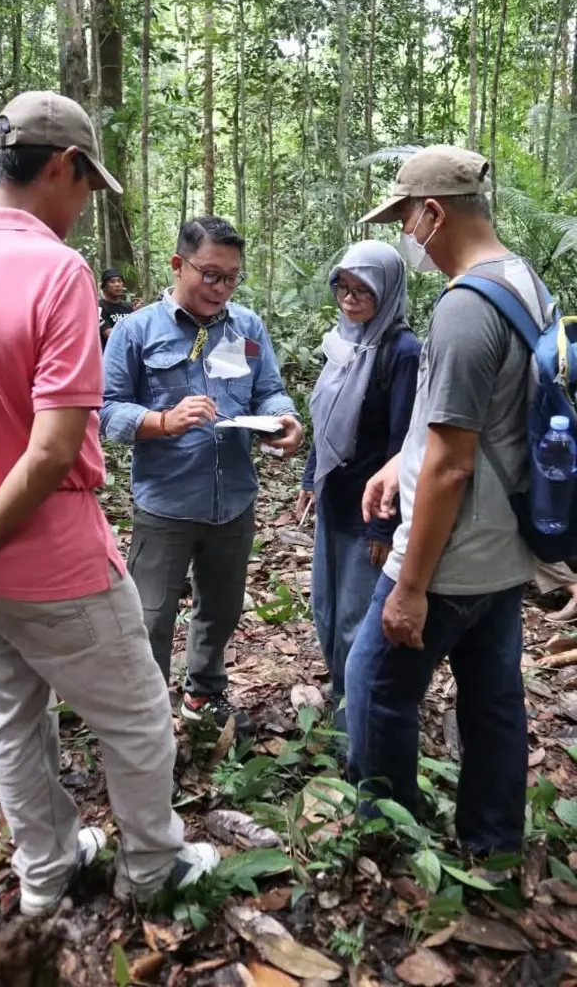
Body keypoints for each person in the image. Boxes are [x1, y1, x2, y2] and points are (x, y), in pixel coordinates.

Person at [0, 91, 218, 917]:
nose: (86, 204)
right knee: (135, 712)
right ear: (59, 167)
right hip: (44, 554)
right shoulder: (58, 269)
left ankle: (47, 870)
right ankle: (152, 867)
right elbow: (56, 444)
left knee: (12, 703)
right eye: (87, 185)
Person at [345, 145, 545, 857]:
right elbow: (477, 417)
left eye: (405, 216)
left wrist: (411, 586)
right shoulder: (523, 282)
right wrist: (400, 460)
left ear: (434, 212)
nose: (406, 233)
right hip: (505, 549)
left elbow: (454, 466)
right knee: (493, 702)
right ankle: (493, 845)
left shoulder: (464, 307)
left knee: (373, 685)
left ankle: (389, 842)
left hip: (452, 557)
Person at [101, 214, 304, 733]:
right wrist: (162, 421)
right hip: (165, 501)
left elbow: (270, 390)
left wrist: (284, 420)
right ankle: (146, 718)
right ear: (178, 264)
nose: (220, 287)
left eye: (231, 277)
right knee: (150, 617)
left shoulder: (247, 328)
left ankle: (202, 696)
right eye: (210, 274)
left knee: (222, 607)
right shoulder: (134, 330)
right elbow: (105, 410)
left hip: (232, 499)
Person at [296, 241, 420, 733]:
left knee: (355, 617)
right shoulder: (343, 342)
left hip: (371, 509)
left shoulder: (402, 352)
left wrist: (383, 527)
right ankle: (341, 690)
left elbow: (404, 445)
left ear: (386, 290)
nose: (350, 299)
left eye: (362, 289)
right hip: (334, 497)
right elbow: (325, 419)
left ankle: (357, 718)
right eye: (343, 287)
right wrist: (311, 478)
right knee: (324, 608)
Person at [99, 268, 134, 348]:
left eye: (119, 281)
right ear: (104, 287)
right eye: (112, 282)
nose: (117, 284)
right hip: (108, 355)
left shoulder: (128, 307)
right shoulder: (99, 307)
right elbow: (109, 334)